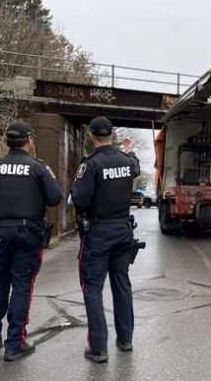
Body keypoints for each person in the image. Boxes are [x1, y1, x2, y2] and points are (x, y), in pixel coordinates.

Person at [0, 122, 63, 361]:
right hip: (27, 235)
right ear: (29, 140)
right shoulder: (38, 168)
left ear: (6, 141)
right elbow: (55, 198)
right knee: (21, 287)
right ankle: (14, 344)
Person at [70, 116, 140, 363]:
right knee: (122, 283)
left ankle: (98, 348)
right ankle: (125, 339)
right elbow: (135, 167)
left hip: (98, 233)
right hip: (123, 231)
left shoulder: (90, 164)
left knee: (93, 288)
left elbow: (79, 200)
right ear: (113, 135)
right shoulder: (126, 161)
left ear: (91, 136)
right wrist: (129, 151)